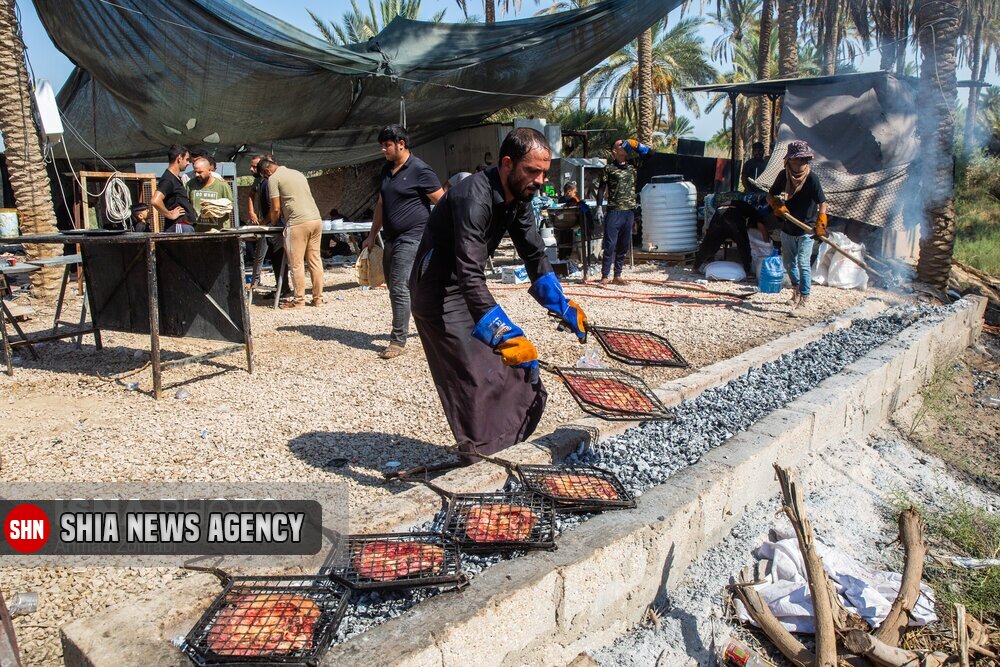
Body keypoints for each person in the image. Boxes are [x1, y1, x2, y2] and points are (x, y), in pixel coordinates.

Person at [410, 128, 589, 459]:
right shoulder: (473, 198)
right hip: (436, 293)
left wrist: (562, 305)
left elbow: (534, 253)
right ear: (507, 164)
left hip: (465, 288)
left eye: (544, 173)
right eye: (532, 171)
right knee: (474, 377)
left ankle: (503, 447)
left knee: (513, 371)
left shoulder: (519, 198)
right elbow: (469, 272)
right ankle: (479, 458)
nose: (539, 180)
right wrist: (503, 333)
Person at [363, 124, 444, 359]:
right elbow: (380, 204)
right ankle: (433, 320)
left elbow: (443, 201)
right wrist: (371, 235)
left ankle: (397, 340)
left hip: (414, 236)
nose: (383, 150)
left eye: (387, 145)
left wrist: (445, 230)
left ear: (401, 143)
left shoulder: (420, 169)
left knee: (399, 286)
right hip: (391, 238)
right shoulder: (387, 170)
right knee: (399, 285)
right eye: (382, 145)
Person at [767, 140, 828, 317]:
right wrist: (776, 204)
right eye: (798, 160)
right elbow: (769, 195)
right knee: (788, 263)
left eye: (805, 159)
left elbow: (822, 203)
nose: (802, 163)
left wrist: (821, 222)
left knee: (803, 263)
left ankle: (805, 299)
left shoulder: (811, 179)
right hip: (788, 228)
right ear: (789, 161)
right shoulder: (783, 176)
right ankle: (796, 291)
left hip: (806, 230)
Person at [258, 157, 324, 309]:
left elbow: (275, 208)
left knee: (296, 264)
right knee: (315, 260)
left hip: (297, 223)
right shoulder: (298, 173)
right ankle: (318, 299)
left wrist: (273, 223)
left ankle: (299, 300)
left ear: (267, 171)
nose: (266, 178)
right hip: (316, 219)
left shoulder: (273, 178)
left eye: (265, 176)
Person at [597, 138, 648, 284]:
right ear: (614, 151)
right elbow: (601, 189)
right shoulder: (609, 169)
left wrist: (637, 145)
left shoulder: (633, 165)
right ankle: (605, 276)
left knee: (623, 244)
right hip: (614, 211)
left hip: (629, 211)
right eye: (621, 144)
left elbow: (650, 155)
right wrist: (599, 207)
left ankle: (617, 275)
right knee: (610, 244)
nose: (624, 146)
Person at [693, 199, 769, 276]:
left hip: (718, 214)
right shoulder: (752, 210)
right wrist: (767, 243)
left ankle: (696, 267)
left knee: (709, 243)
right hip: (733, 216)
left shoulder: (740, 204)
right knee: (743, 244)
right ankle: (747, 271)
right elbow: (760, 225)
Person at [150, 144, 196, 233]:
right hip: (179, 226)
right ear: (179, 158)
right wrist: (170, 214)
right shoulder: (168, 179)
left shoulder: (176, 178)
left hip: (184, 226)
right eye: (187, 159)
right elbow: (155, 200)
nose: (188, 163)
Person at [186, 156, 233, 232]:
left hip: (218, 232)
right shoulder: (190, 185)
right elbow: (186, 204)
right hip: (197, 232)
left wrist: (215, 208)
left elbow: (230, 206)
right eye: (195, 172)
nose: (197, 175)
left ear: (209, 170)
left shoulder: (222, 186)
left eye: (200, 172)